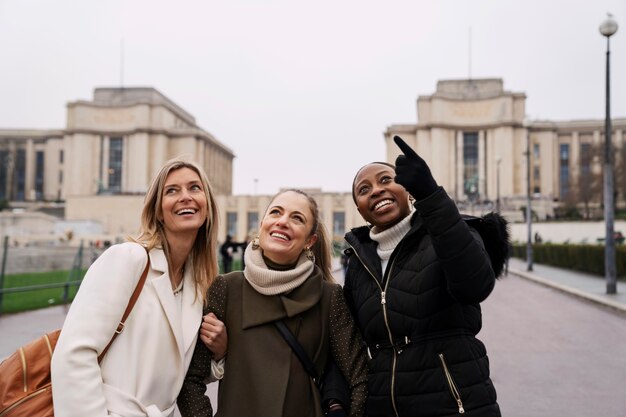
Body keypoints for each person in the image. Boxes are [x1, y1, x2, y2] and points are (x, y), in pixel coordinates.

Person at [343, 136, 507, 417]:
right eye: (364, 189)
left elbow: (475, 286)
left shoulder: (450, 231)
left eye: (386, 180)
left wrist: (432, 196)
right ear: (359, 209)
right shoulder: (358, 263)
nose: (376, 191)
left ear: (407, 189)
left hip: (456, 404)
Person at [51, 159, 227, 417]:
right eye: (172, 191)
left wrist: (219, 352)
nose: (185, 197)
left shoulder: (197, 286)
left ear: (208, 205)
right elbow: (73, 354)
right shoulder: (128, 259)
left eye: (194, 188)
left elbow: (178, 373)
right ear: (157, 210)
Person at [178, 189, 369, 417]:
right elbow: (191, 377)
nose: (282, 222)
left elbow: (360, 376)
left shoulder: (329, 296)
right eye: (276, 212)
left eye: (297, 218)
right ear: (262, 225)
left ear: (310, 240)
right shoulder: (225, 288)